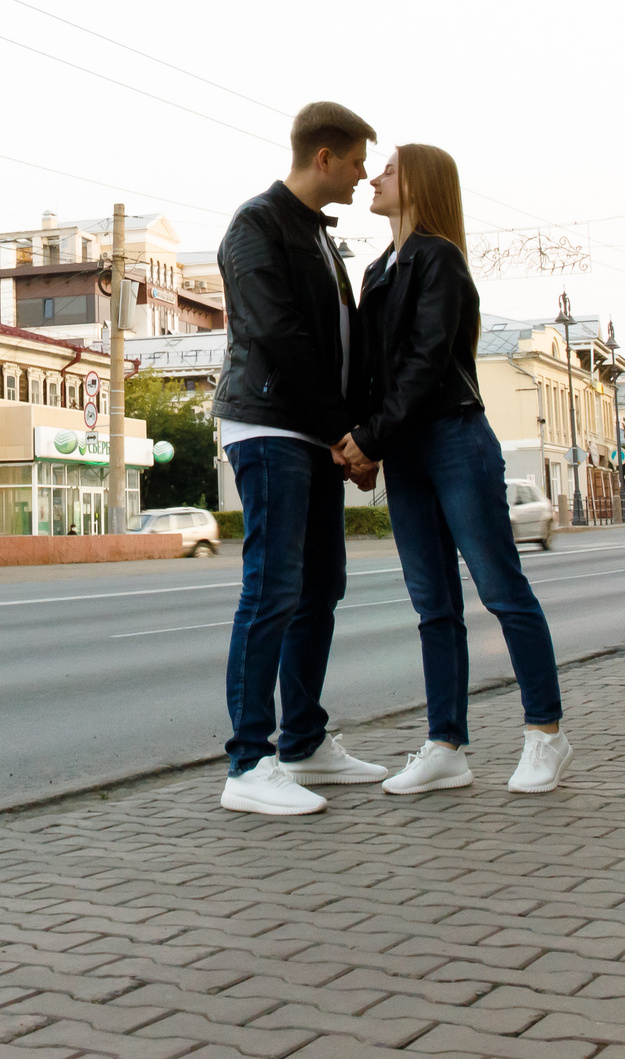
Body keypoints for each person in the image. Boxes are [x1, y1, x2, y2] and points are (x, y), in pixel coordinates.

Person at [335, 143, 573, 796]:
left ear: (419, 184)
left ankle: (546, 734)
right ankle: (446, 744)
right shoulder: (381, 268)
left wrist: (369, 436)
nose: (375, 177)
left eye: (388, 169)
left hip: (453, 438)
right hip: (406, 448)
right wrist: (362, 444)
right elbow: (373, 374)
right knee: (432, 605)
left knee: (501, 589)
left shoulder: (439, 258)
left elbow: (424, 363)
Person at [212, 101, 391, 815]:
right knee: (273, 587)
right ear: (324, 157)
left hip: (314, 435)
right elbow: (280, 336)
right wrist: (344, 432)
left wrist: (352, 433)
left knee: (321, 587)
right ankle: (248, 763)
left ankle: (303, 741)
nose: (362, 175)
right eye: (355, 162)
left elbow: (337, 343)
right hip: (270, 428)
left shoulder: (317, 235)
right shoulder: (256, 225)